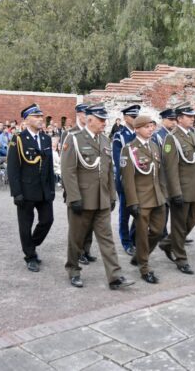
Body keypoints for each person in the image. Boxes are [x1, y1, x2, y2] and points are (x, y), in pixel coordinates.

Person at [61, 104, 134, 290]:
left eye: (105, 120)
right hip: (82, 199)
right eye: (101, 120)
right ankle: (73, 270)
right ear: (90, 119)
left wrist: (111, 196)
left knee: (107, 239)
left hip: (101, 199)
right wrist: (74, 197)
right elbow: (68, 171)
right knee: (76, 239)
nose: (104, 123)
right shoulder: (74, 139)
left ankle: (115, 276)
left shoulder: (104, 140)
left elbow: (108, 171)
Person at [159, 104, 195, 275]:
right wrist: (175, 192)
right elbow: (170, 169)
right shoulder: (172, 139)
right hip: (181, 190)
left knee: (192, 221)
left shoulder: (193, 135)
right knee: (179, 226)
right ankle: (180, 258)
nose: (193, 118)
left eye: (193, 116)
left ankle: (166, 243)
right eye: (189, 116)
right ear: (179, 118)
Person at [7, 104, 55, 273]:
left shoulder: (46, 139)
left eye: (41, 116)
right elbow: (13, 168)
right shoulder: (18, 139)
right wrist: (16, 193)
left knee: (47, 220)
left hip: (43, 190)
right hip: (26, 191)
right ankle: (30, 256)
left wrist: (52, 189)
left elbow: (48, 166)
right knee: (25, 225)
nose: (40, 119)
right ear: (26, 120)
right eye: (36, 116)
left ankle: (31, 244)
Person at [121, 115, 166, 284]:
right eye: (147, 127)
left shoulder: (154, 146)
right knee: (141, 234)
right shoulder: (130, 149)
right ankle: (144, 268)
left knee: (157, 231)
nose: (151, 129)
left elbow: (159, 172)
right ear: (137, 129)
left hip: (157, 197)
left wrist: (164, 194)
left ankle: (139, 255)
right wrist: (132, 202)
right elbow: (128, 179)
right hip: (141, 199)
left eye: (152, 126)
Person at [61, 103, 96, 264]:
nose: (85, 116)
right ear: (79, 115)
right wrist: (68, 190)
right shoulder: (70, 134)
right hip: (76, 187)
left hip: (91, 188)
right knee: (78, 225)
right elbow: (66, 165)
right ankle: (77, 252)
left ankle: (86, 250)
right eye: (83, 113)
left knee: (90, 224)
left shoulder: (95, 133)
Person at [112, 104, 140, 256]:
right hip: (125, 180)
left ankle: (133, 238)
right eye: (133, 117)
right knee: (125, 213)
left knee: (139, 212)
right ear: (125, 118)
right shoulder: (120, 135)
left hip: (140, 181)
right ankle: (126, 242)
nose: (135, 119)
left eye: (137, 117)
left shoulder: (139, 135)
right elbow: (119, 161)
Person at [151, 108, 178, 239]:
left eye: (175, 120)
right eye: (170, 119)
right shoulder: (158, 136)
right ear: (163, 120)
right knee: (164, 206)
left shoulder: (175, 135)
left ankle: (174, 233)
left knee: (176, 207)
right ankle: (162, 232)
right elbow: (157, 158)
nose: (174, 122)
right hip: (164, 177)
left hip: (175, 177)